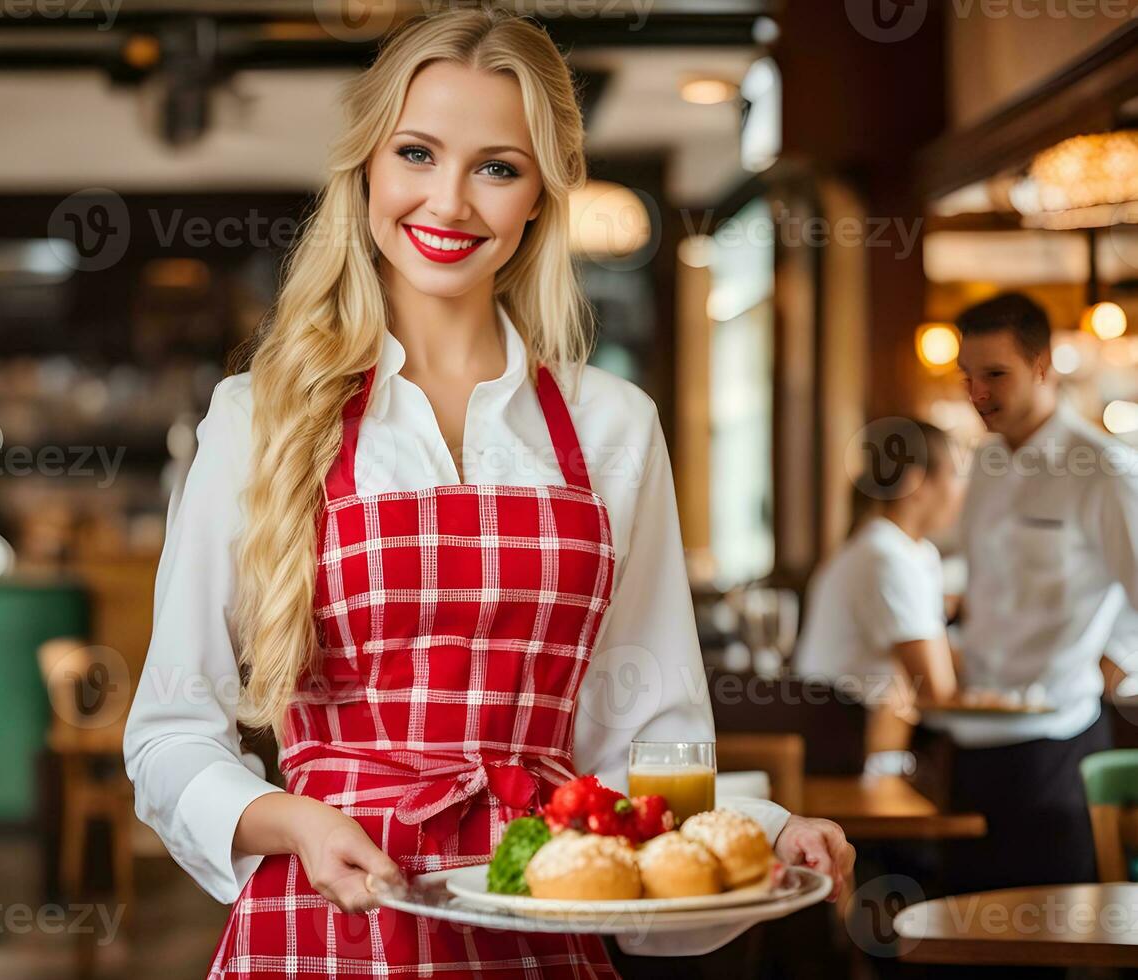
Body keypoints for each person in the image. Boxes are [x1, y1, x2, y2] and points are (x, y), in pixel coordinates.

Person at [123, 9, 854, 977]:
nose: (449, 201)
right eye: (417, 153)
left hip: (534, 921)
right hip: (320, 927)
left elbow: (649, 747)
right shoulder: (258, 417)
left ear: (540, 198)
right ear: (367, 171)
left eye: (495, 167)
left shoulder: (613, 427)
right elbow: (170, 733)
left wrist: (762, 828)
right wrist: (292, 819)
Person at [915, 291, 1138, 893]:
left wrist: (1120, 661)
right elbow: (975, 574)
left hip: (1056, 748)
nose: (977, 394)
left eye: (995, 375)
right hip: (970, 741)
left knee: (1047, 942)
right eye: (967, 377)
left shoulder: (1104, 470)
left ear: (1043, 367)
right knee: (965, 939)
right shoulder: (985, 464)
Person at [795, 420, 964, 754]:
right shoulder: (886, 557)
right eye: (955, 475)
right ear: (916, 483)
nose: (962, 490)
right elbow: (937, 692)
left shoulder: (906, 550)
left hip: (864, 743)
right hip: (848, 753)